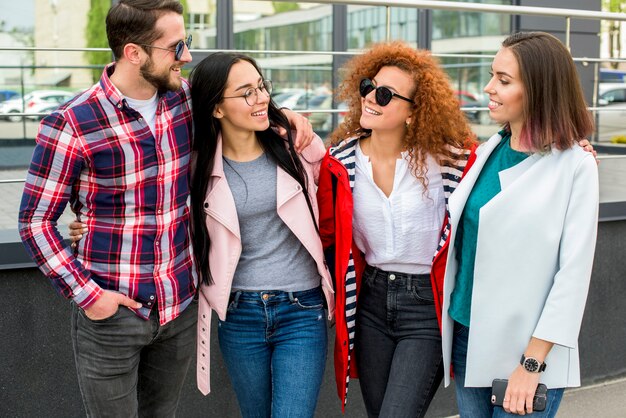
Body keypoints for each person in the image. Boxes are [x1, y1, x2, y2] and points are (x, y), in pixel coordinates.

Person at [19, 1, 312, 416]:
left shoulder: (184, 102)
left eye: (186, 42)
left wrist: (290, 117)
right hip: (111, 315)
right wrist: (89, 295)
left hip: (178, 308)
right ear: (134, 53)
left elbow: (240, 107)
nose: (187, 57)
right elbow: (35, 221)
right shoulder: (72, 123)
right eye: (175, 47)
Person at [440, 31, 599, 417]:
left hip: (528, 353)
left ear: (540, 89)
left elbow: (572, 277)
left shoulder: (575, 166)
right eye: (493, 75)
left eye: (504, 80)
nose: (489, 88)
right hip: (467, 335)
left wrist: (532, 365)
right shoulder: (487, 150)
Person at [317, 41, 479, 417]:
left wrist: (573, 153)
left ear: (413, 112)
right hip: (371, 302)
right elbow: (327, 232)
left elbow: (513, 157)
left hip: (425, 307)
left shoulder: (451, 161)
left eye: (386, 94)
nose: (371, 98)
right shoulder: (339, 161)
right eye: (368, 86)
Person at [188, 52, 334, 418]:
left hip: (301, 308)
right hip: (239, 313)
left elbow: (344, 188)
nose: (261, 98)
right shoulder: (197, 168)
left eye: (261, 86)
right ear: (217, 108)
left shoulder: (296, 148)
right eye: (246, 92)